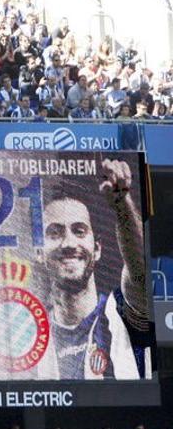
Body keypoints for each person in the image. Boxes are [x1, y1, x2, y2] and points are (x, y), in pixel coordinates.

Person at [40, 159, 150, 379]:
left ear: (97, 248)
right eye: (55, 233)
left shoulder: (121, 310)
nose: (69, 243)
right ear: (39, 252)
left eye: (79, 231)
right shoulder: (30, 332)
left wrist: (122, 204)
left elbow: (140, 271)